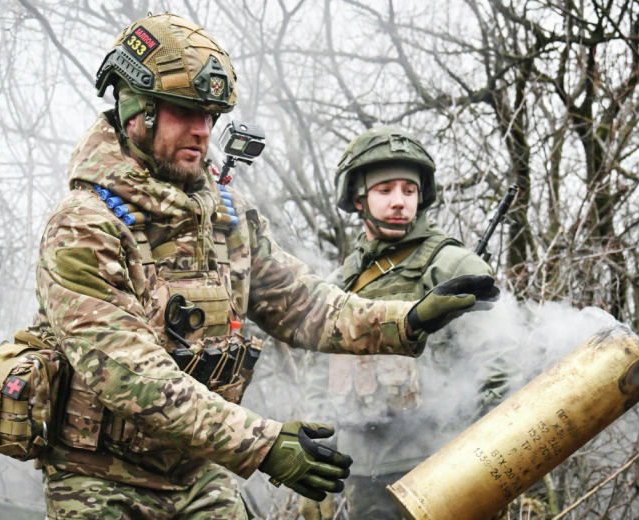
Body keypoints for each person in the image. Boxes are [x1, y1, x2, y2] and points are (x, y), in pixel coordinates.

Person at [26, 14, 498, 520]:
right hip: (101, 483)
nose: (203, 131)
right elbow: (130, 374)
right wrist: (265, 444)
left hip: (198, 473)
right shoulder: (83, 226)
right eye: (187, 112)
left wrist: (406, 321)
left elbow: (304, 305)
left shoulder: (227, 217)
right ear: (136, 110)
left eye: (211, 115)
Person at [299, 126, 495, 520]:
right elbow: (319, 380)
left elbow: (496, 357)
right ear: (358, 198)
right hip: (365, 474)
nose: (399, 202)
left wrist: (493, 452)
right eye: (385, 190)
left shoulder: (451, 264)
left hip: (440, 464)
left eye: (408, 190)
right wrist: (314, 472)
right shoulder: (342, 283)